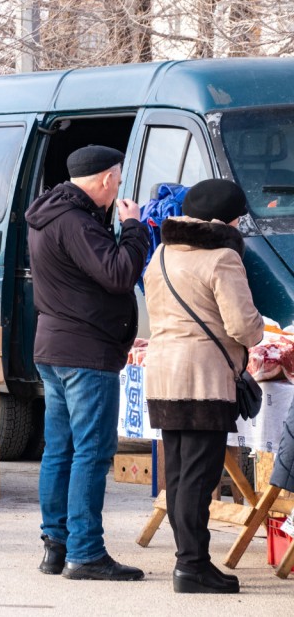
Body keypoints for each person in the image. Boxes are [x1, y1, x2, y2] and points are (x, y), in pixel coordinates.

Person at [24, 145, 149, 580]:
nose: (118, 185)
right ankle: (86, 552)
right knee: (91, 454)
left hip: (54, 348)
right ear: (104, 179)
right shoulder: (76, 222)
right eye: (116, 177)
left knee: (60, 451)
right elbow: (117, 273)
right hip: (85, 353)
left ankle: (55, 546)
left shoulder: (50, 215)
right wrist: (133, 229)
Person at [143, 179, 263, 594]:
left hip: (163, 372)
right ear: (222, 220)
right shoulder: (222, 259)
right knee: (198, 475)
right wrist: (260, 329)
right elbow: (244, 327)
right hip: (203, 379)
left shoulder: (160, 253)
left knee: (178, 474)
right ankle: (191, 567)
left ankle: (188, 561)